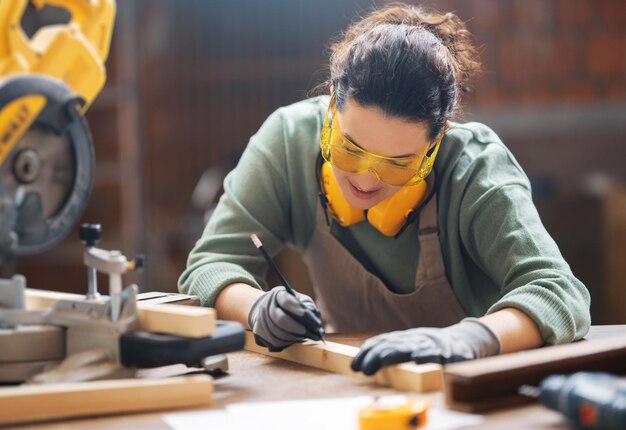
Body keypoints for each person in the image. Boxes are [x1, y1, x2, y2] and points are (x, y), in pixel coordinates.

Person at [179, 3, 590, 375]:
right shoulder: (289, 140)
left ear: (436, 141)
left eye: (398, 163)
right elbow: (209, 265)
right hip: (354, 383)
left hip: (461, 390)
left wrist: (469, 340)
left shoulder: (475, 167)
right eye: (350, 149)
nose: (366, 179)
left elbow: (558, 293)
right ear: (331, 103)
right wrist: (256, 308)